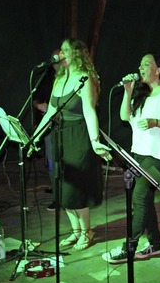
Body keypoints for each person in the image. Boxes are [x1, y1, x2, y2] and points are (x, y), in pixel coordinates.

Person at [103, 53, 160, 263]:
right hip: (139, 154)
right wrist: (127, 92)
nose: (140, 67)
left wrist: (156, 122)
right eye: (140, 64)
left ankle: (129, 247)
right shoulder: (141, 93)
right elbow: (125, 117)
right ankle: (154, 243)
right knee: (145, 199)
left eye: (145, 64)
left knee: (139, 198)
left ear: (157, 69)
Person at [32, 39, 112, 251]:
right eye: (61, 49)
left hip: (79, 136)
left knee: (76, 188)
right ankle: (75, 232)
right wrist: (35, 137)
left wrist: (95, 142)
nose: (61, 53)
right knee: (62, 187)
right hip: (60, 136)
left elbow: (89, 110)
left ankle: (87, 232)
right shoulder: (59, 79)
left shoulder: (85, 78)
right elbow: (50, 112)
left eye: (66, 50)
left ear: (76, 53)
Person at [32, 49, 60, 211]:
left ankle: (68, 195)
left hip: (68, 126)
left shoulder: (72, 77)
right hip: (50, 126)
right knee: (52, 163)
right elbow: (35, 98)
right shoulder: (46, 77)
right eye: (55, 59)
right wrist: (38, 105)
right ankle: (57, 196)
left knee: (66, 163)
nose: (57, 61)